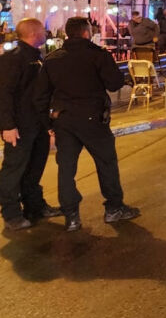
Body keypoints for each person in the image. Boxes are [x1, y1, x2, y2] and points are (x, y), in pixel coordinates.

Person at [31, 16, 139, 232]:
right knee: (106, 163)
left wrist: (48, 123)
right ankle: (113, 208)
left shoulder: (52, 59)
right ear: (86, 32)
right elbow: (115, 83)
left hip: (64, 120)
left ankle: (71, 216)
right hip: (93, 119)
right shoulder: (97, 55)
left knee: (66, 168)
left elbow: (40, 96)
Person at [0, 18, 61, 231]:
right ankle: (11, 213)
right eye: (42, 30)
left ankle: (34, 206)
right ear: (34, 33)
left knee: (34, 168)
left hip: (38, 123)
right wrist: (7, 125)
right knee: (14, 169)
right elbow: (4, 94)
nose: (45, 33)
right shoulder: (13, 59)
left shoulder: (37, 57)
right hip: (20, 125)